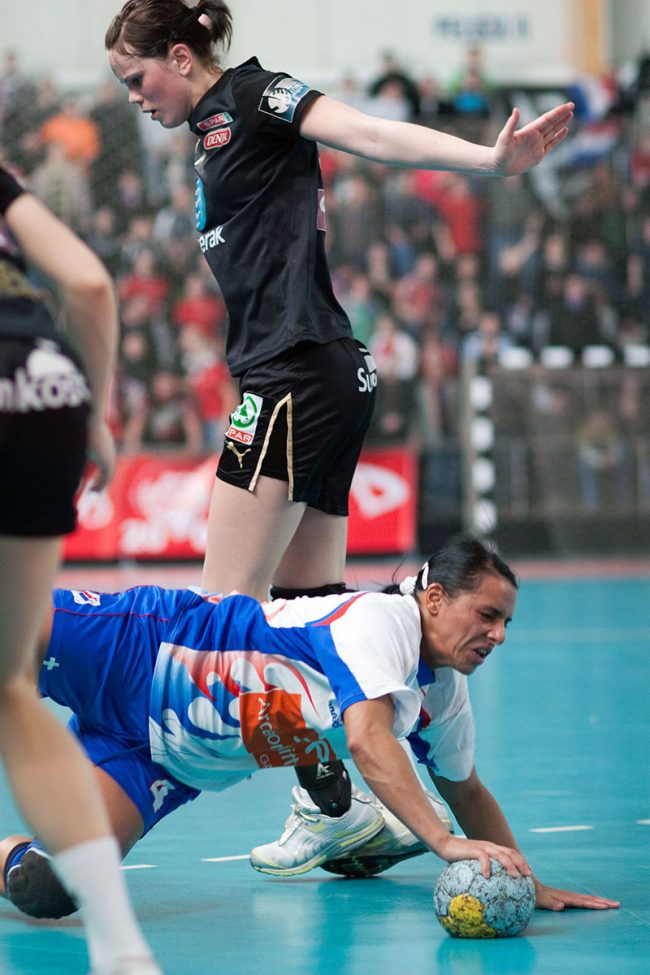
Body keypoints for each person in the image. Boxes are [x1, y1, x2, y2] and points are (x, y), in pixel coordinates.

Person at [104, 0, 575, 873]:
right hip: (319, 376)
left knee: (216, 628)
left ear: (179, 53)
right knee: (306, 609)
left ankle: (326, 791)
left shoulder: (254, 98)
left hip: (292, 378)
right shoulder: (211, 130)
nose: (134, 96)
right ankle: (337, 806)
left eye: (138, 78)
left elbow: (364, 131)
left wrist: (489, 162)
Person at [0, 534, 618, 921]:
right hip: (146, 649)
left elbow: (468, 791)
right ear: (433, 597)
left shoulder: (442, 699)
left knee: (51, 888)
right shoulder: (381, 622)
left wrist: (527, 879)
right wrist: (444, 843)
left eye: (506, 622)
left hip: (161, 760)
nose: (498, 635)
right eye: (486, 614)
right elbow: (368, 740)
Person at [0, 163, 162, 975]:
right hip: (44, 380)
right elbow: (90, 287)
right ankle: (120, 947)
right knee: (11, 687)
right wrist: (95, 415)